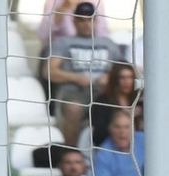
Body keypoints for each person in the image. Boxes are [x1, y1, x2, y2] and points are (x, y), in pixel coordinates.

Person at [45, 3, 125, 147]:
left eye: (90, 19)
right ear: (74, 22)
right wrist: (76, 78)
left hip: (105, 92)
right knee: (74, 108)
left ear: (97, 21)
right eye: (82, 20)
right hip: (74, 93)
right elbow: (49, 71)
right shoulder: (64, 43)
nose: (87, 24)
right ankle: (71, 153)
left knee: (125, 108)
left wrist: (109, 77)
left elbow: (122, 71)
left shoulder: (108, 44)